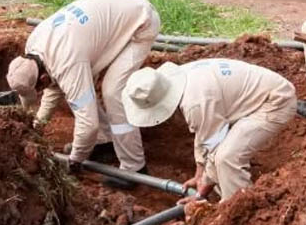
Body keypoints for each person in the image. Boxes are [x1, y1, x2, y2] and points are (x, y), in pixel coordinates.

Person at [6, 0, 160, 186]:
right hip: (114, 14)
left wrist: (75, 160)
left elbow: (88, 124)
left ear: (42, 78)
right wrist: (35, 125)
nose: (38, 93)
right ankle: (105, 142)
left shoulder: (67, 63)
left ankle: (134, 167)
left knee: (113, 92)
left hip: (140, 23)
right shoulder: (34, 46)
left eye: (37, 90)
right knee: (79, 92)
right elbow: (54, 87)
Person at [122, 58, 296, 202]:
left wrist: (202, 190)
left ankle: (239, 212)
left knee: (226, 158)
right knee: (219, 161)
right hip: (258, 95)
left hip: (275, 101)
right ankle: (229, 196)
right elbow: (206, 135)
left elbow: (214, 146)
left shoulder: (196, 103)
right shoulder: (181, 80)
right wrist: (200, 175)